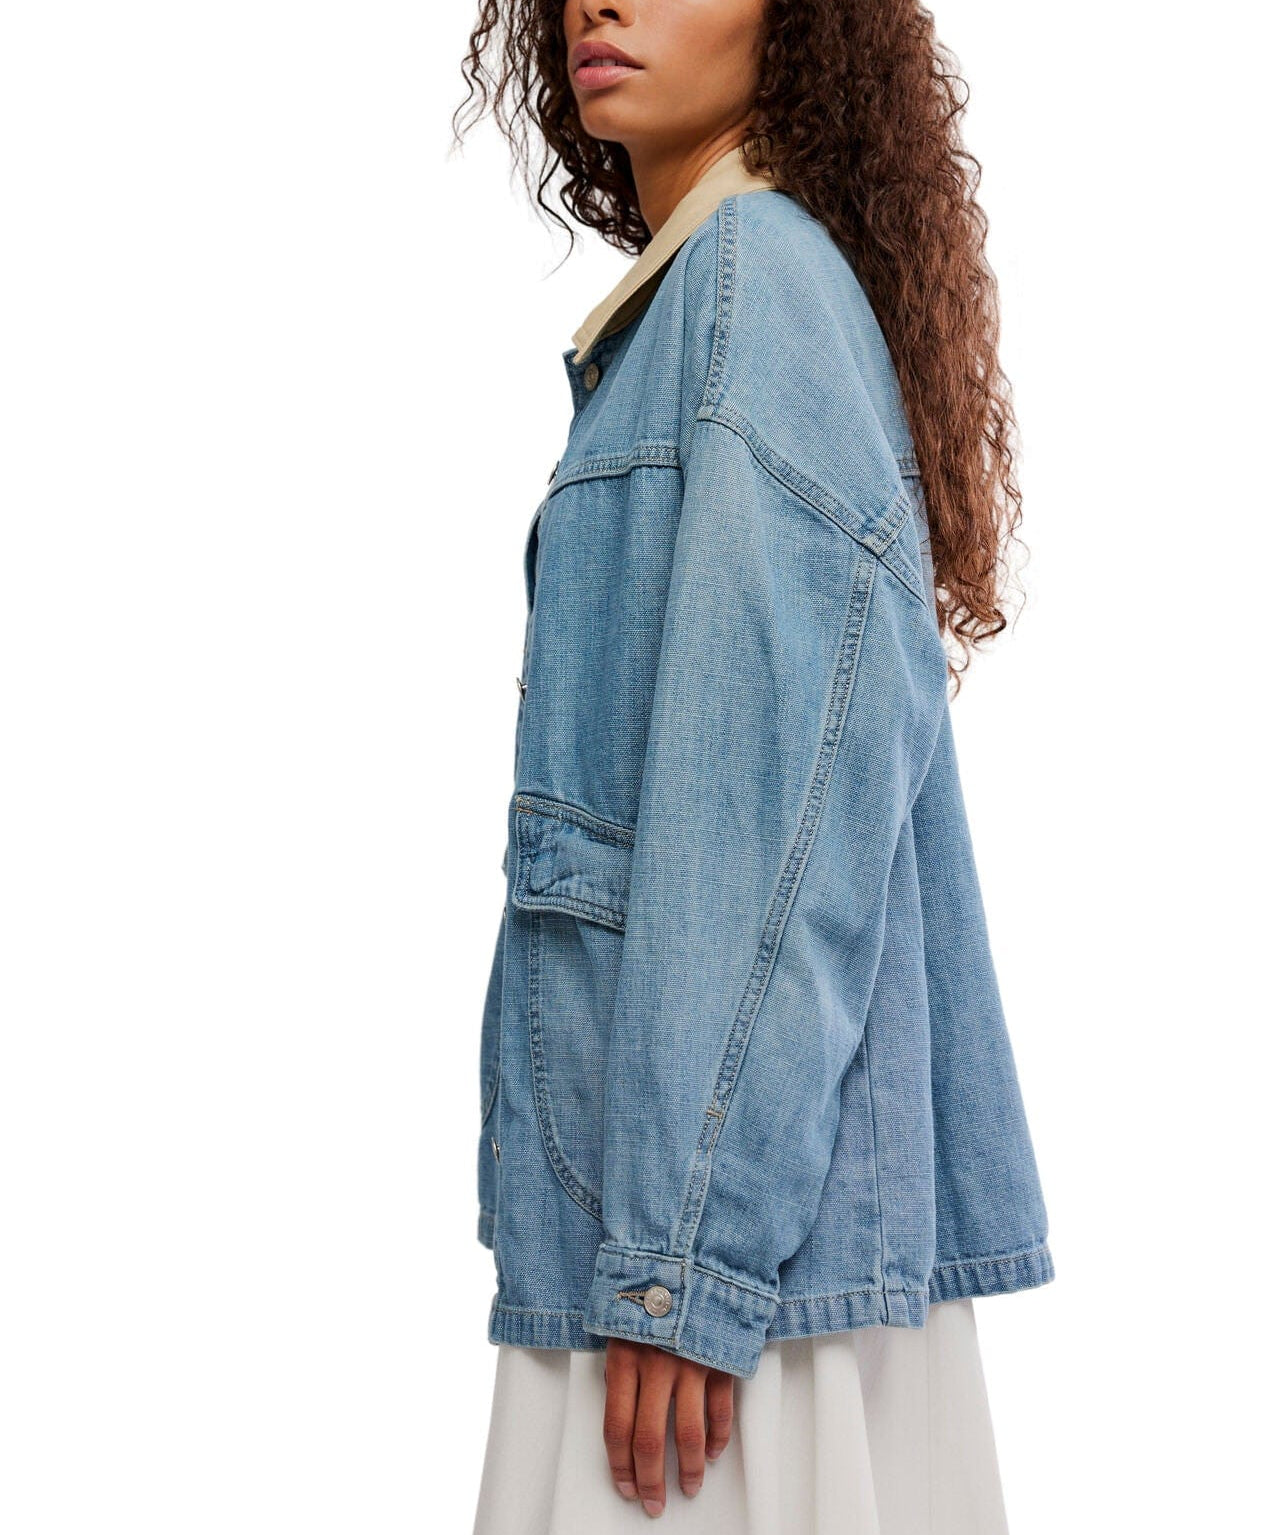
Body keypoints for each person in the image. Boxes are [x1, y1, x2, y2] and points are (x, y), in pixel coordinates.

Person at [454, 2, 1054, 1528]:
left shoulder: (752, 285)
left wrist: (686, 1260)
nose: (603, 0)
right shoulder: (708, 299)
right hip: (712, 1220)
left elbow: (776, 823)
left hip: (723, 1280)